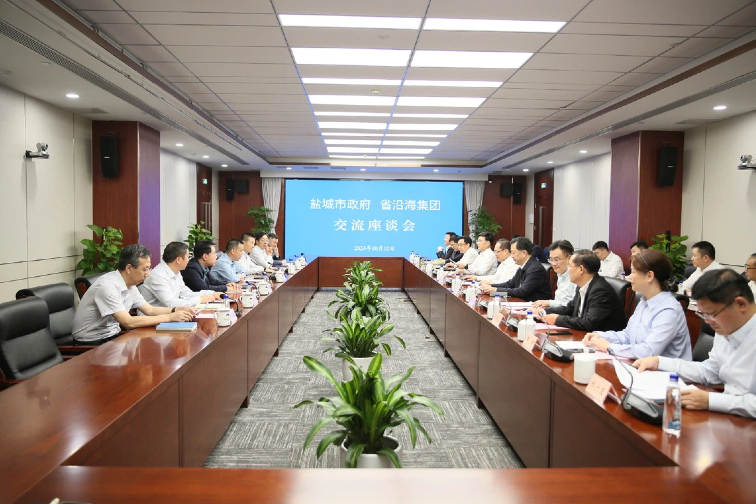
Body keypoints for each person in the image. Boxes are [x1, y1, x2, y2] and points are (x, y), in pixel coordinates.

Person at [634, 269, 756, 419]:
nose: (708, 321)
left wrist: (711, 401)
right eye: (703, 314)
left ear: (741, 304)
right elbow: (709, 372)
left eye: (712, 314)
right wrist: (659, 362)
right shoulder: (725, 329)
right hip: (731, 417)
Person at [71, 244, 196, 344]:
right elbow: (127, 322)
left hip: (113, 336)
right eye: (144, 269)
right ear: (129, 268)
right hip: (92, 343)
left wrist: (176, 309)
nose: (148, 274)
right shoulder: (107, 286)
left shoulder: (130, 285)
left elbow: (150, 310)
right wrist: (169, 317)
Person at [582, 249, 691, 359]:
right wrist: (600, 336)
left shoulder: (669, 310)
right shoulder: (644, 302)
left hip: (664, 370)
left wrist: (609, 347)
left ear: (649, 276)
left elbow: (648, 351)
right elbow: (628, 335)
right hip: (641, 366)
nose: (629, 277)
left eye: (633, 272)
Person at [538, 249, 626, 331]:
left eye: (570, 266)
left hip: (601, 338)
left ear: (581, 269)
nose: (568, 270)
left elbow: (588, 323)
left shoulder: (600, 291)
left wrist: (557, 319)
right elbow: (570, 308)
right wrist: (543, 312)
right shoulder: (582, 285)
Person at [140, 242, 221, 308]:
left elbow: (186, 294)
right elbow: (170, 303)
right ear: (178, 259)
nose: (189, 260)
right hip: (153, 320)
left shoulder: (176, 272)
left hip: (170, 316)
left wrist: (211, 293)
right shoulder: (158, 275)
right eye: (187, 257)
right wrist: (199, 300)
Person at [481, 237, 551, 302]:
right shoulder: (523, 265)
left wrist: (496, 290)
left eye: (513, 253)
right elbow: (510, 284)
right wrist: (491, 286)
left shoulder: (535, 269)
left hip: (536, 306)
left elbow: (522, 291)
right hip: (523, 302)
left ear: (524, 253)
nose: (511, 256)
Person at [532, 240, 577, 309]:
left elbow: (573, 306)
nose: (553, 263)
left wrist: (549, 303)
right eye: (551, 260)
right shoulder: (560, 274)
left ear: (569, 258)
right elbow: (560, 301)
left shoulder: (576, 278)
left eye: (556, 260)